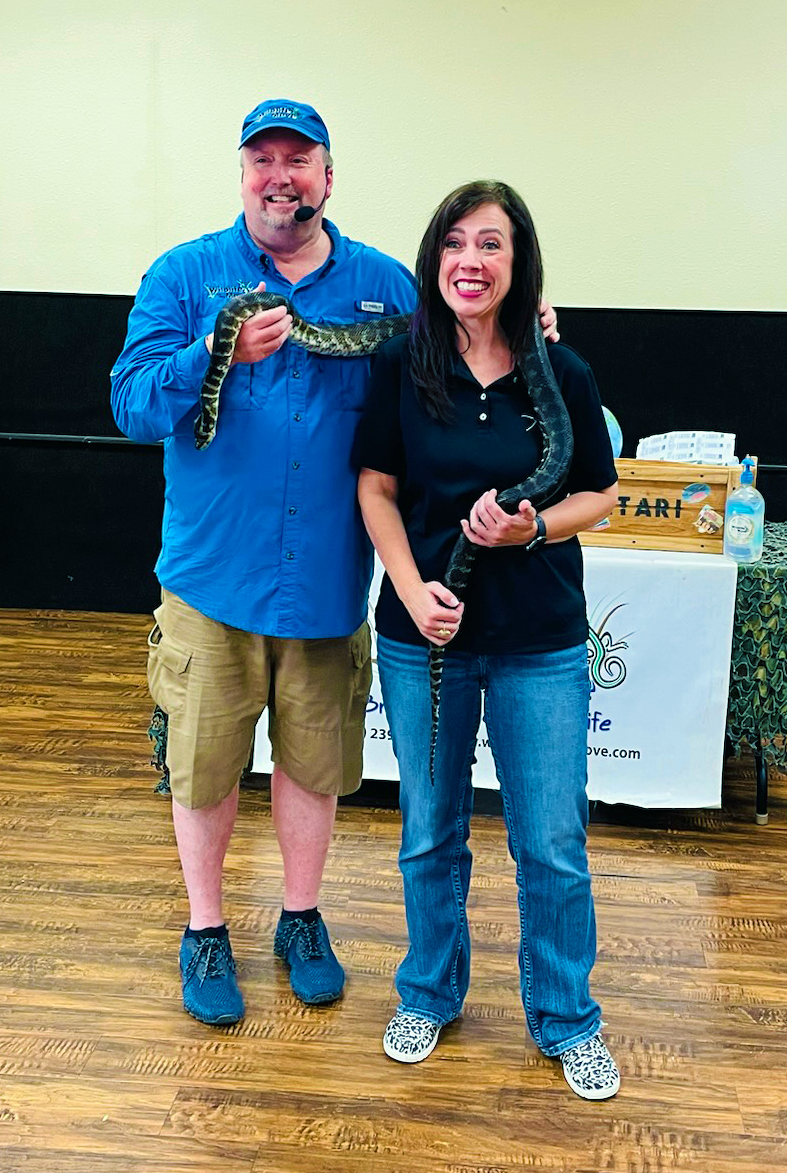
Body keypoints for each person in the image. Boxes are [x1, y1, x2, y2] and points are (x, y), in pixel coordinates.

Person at [111, 100, 558, 1028]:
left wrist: (528, 320)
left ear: (327, 175)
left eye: (299, 159)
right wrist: (210, 352)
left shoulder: (387, 289)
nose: (282, 176)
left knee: (313, 766)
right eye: (263, 159)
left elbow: (464, 338)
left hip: (325, 584)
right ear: (242, 175)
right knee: (203, 767)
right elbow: (131, 404)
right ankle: (205, 929)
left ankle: (302, 919)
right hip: (209, 579)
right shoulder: (185, 276)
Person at [354, 180, 621, 1100]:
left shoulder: (563, 373)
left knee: (550, 841)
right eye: (456, 242)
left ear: (518, 264)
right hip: (423, 636)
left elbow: (598, 492)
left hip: (537, 640)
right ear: (435, 258)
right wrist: (405, 585)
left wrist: (532, 527)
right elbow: (377, 487)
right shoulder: (400, 361)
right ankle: (428, 993)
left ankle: (566, 1016)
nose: (472, 259)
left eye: (492, 244)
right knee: (429, 832)